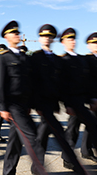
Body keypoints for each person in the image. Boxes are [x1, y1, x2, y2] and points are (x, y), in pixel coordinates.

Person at [30, 24, 87, 174]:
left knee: (44, 137)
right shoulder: (35, 57)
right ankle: (40, 167)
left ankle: (39, 167)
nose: (46, 39)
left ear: (53, 39)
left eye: (49, 36)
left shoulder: (56, 60)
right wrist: (35, 104)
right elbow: (32, 82)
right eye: (43, 36)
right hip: (43, 105)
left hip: (52, 104)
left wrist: (67, 104)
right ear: (39, 38)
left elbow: (62, 85)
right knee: (52, 136)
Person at [0, 21, 43, 175]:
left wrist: (30, 104)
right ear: (7, 37)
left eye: (17, 32)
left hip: (24, 105)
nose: (17, 35)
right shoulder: (4, 58)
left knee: (14, 142)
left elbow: (28, 82)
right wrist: (3, 107)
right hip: (13, 106)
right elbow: (0, 84)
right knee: (33, 137)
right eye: (14, 33)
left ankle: (8, 172)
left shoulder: (24, 57)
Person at [59, 28, 97, 169]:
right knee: (72, 130)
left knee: (90, 125)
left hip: (82, 100)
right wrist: (67, 104)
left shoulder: (81, 59)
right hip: (72, 101)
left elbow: (87, 81)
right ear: (63, 42)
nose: (72, 41)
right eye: (69, 39)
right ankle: (67, 158)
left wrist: (91, 99)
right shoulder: (64, 60)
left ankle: (86, 151)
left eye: (73, 39)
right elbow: (63, 84)